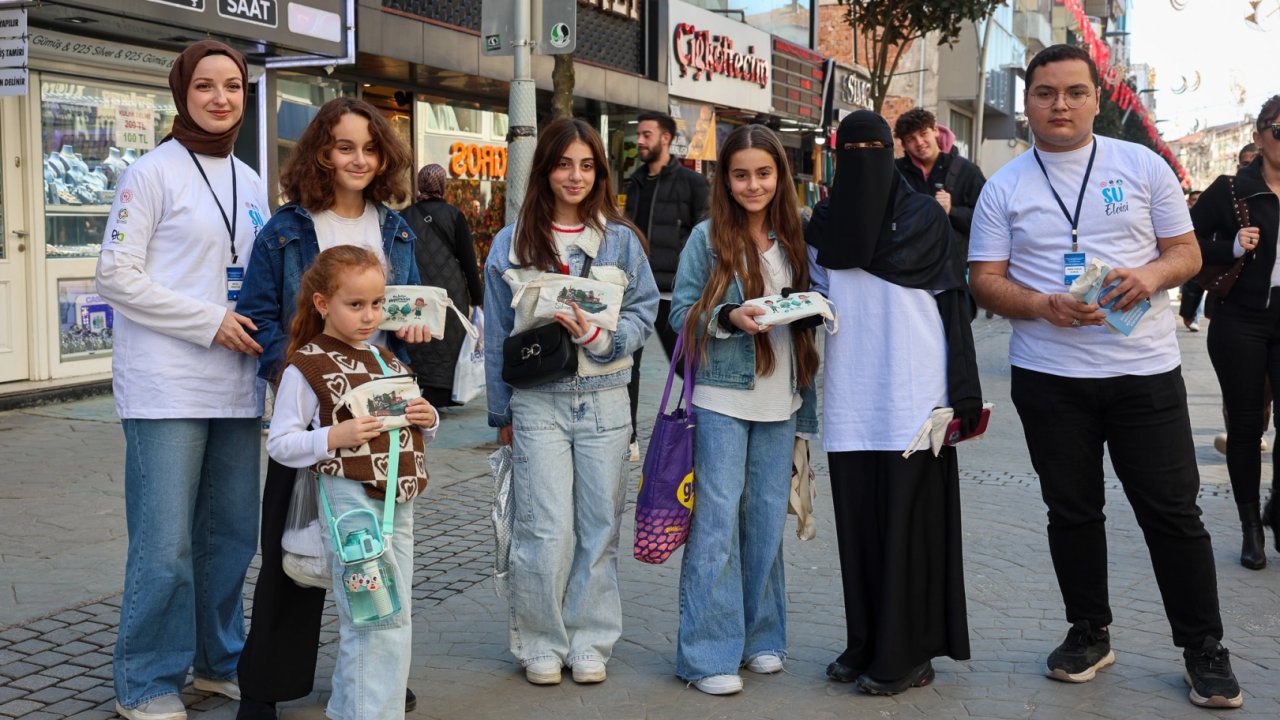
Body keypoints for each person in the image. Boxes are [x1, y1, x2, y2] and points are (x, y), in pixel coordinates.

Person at [968, 44, 1244, 709]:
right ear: (1026, 100)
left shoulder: (1141, 166)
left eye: (1073, 92)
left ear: (1098, 98)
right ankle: (1089, 631)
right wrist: (1041, 305)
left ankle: (1203, 647)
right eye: (1044, 93)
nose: (1058, 105)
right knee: (1071, 511)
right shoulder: (1004, 185)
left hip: (1143, 374)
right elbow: (983, 280)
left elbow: (1185, 253)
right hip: (1049, 377)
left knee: (1174, 513)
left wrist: (1148, 276)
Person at [94, 40, 269, 720]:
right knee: (165, 545)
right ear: (182, 93)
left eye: (232, 86)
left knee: (231, 537)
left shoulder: (252, 181)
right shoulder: (150, 173)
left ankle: (219, 661)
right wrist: (208, 321)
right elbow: (115, 276)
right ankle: (146, 680)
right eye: (205, 86)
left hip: (236, 384)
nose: (220, 98)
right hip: (165, 385)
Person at [234, 97, 422, 720]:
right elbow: (261, 316)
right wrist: (302, 381)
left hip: (375, 423)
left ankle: (377, 680)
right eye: (345, 147)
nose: (359, 159)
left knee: (376, 555)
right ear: (320, 151)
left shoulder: (395, 227)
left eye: (370, 148)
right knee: (292, 556)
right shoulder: (287, 228)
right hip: (311, 420)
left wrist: (414, 337)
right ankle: (266, 686)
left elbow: (402, 312)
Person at [806, 110, 980, 696]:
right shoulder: (825, 223)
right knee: (858, 527)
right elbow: (816, 296)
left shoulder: (923, 220)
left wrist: (963, 398)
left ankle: (908, 655)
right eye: (849, 149)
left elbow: (955, 306)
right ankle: (866, 643)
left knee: (911, 529)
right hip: (853, 396)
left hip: (914, 397)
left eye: (872, 148)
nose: (862, 159)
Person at [483, 117, 658, 686]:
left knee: (599, 528)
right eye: (563, 164)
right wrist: (500, 414)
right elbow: (495, 337)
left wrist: (602, 338)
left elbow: (645, 311)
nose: (575, 176)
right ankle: (539, 641)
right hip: (538, 402)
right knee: (543, 528)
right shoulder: (511, 243)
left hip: (606, 400)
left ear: (600, 172)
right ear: (545, 170)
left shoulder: (621, 240)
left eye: (587, 165)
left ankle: (589, 640)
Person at [667, 124, 820, 696]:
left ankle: (759, 638)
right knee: (715, 525)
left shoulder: (795, 238)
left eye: (763, 173)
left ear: (780, 175)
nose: (752, 184)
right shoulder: (707, 239)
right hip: (721, 399)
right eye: (740, 174)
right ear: (723, 179)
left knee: (762, 525)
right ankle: (707, 653)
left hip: (782, 401)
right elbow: (679, 312)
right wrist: (727, 317)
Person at [266, 245, 437, 720]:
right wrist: (331, 437)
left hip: (397, 505)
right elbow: (279, 443)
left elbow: (408, 422)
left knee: (393, 616)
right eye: (355, 305)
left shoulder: (384, 360)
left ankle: (353, 709)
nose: (369, 316)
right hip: (351, 507)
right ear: (323, 304)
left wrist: (428, 415)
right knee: (373, 618)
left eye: (377, 304)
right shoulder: (308, 366)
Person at [1192, 95, 1280, 570]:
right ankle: (1251, 530)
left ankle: (1278, 511)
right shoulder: (1231, 189)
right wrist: (1229, 244)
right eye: (1279, 131)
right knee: (1246, 427)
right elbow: (1183, 242)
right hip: (1241, 318)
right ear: (1259, 136)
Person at [623, 111, 710, 459]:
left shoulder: (692, 183)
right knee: (628, 366)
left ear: (665, 138)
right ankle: (628, 438)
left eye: (647, 134)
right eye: (639, 134)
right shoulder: (636, 182)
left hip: (672, 293)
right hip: (635, 292)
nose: (640, 141)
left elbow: (704, 236)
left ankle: (703, 425)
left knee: (688, 364)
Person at [401, 163, 485, 407]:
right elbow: (468, 259)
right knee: (447, 338)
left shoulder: (405, 215)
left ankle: (415, 387)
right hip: (450, 290)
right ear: (443, 184)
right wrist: (477, 297)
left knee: (417, 338)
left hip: (415, 288)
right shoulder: (453, 214)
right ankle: (444, 393)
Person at [894, 108, 987, 262]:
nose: (919, 143)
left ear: (935, 131)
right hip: (906, 267)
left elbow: (987, 222)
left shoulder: (967, 171)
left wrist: (952, 211)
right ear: (904, 144)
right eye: (911, 139)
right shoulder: (895, 172)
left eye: (924, 133)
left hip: (952, 269)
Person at [1178, 190, 1206, 331]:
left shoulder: (1212, 216)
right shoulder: (1183, 218)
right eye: (1194, 199)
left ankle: (1194, 317)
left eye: (1199, 199)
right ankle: (1191, 315)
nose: (1197, 202)